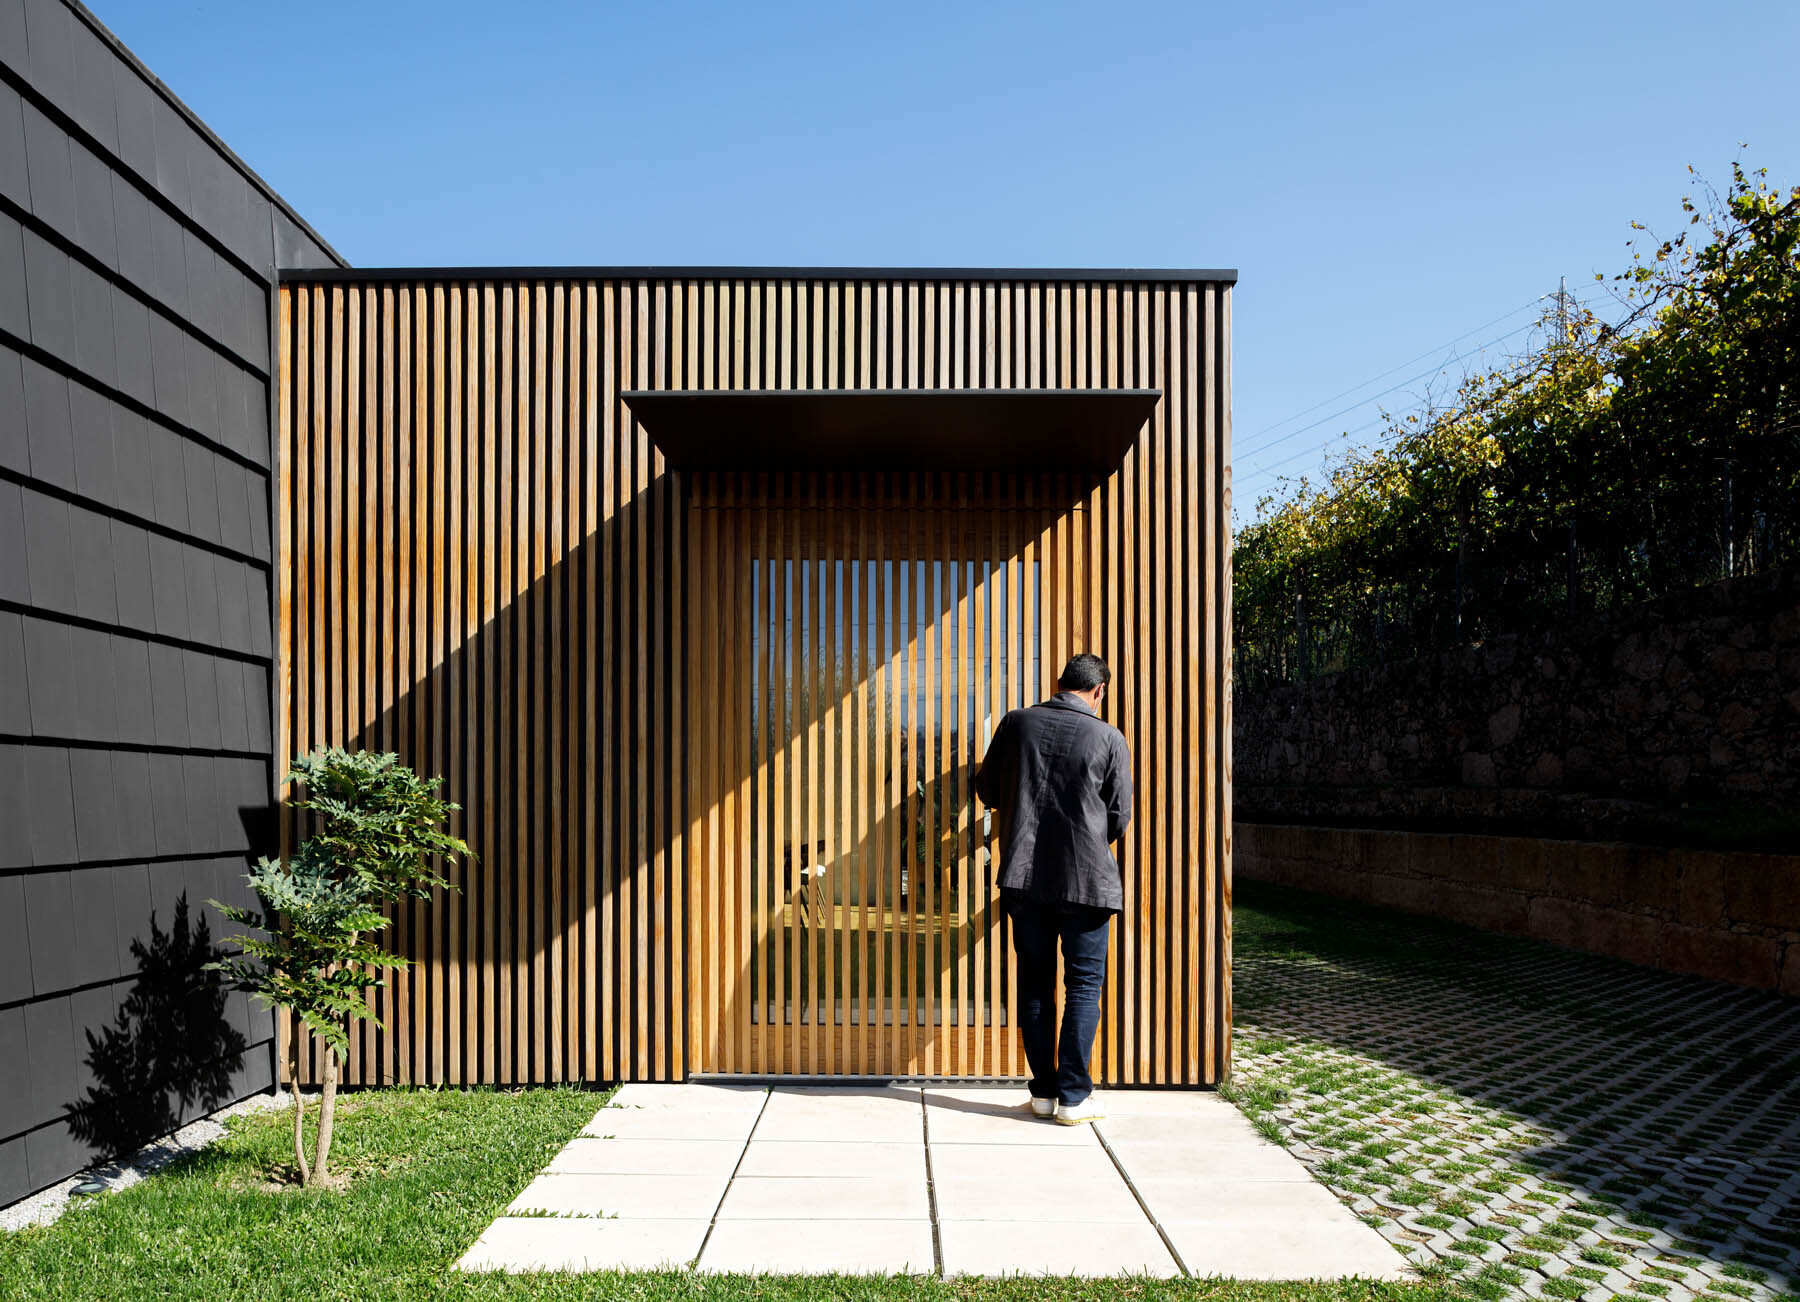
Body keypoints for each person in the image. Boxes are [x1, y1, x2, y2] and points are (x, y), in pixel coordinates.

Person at [973, 653, 1132, 1125]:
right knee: (1083, 987)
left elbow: (986, 789)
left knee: (1035, 985)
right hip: (1087, 882)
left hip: (1026, 877)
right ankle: (1074, 1097)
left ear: (1059, 683)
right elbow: (1119, 815)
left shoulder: (1017, 724)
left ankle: (1043, 1092)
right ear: (1099, 691)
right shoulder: (1109, 738)